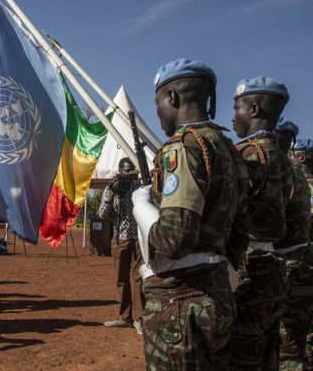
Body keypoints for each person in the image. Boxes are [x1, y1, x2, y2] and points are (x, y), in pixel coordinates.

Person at [131, 59, 249, 370]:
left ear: (172, 97)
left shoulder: (182, 148)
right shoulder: (229, 149)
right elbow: (240, 233)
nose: (157, 114)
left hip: (180, 303)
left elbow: (174, 240)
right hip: (218, 293)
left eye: (157, 104)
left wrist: (141, 207)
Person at [231, 76, 293, 370]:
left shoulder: (247, 154)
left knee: (242, 352)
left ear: (254, 109)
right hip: (273, 263)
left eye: (237, 108)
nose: (233, 118)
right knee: (269, 351)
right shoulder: (282, 157)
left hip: (247, 266)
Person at [274, 119, 313, 370]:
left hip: (288, 262)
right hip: (303, 257)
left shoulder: (280, 178)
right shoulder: (296, 180)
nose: (292, 156)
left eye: (295, 154)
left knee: (287, 340)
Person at [98, 157, 144, 334]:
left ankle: (140, 318)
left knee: (139, 279)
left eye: (129, 172)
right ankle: (125, 317)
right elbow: (102, 214)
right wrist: (111, 191)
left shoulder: (140, 188)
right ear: (119, 172)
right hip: (120, 239)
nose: (127, 176)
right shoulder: (113, 188)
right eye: (124, 172)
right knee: (122, 280)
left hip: (139, 239)